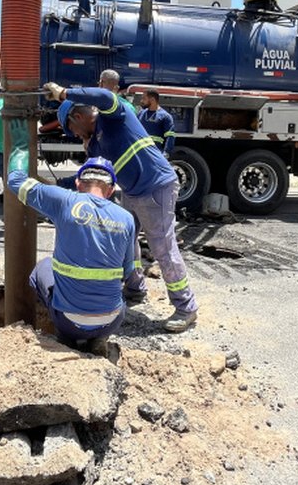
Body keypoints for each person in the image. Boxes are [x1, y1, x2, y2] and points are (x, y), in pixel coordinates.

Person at [43, 82, 199, 332]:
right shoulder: (94, 143)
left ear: (79, 116)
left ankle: (186, 307)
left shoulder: (114, 117)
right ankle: (136, 288)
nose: (73, 135)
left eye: (70, 128)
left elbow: (104, 95)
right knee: (127, 239)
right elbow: (91, 176)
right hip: (132, 190)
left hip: (156, 185)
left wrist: (64, 93)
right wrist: (54, 184)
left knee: (162, 247)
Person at [7, 151, 134, 356]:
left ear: (78, 184)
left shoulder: (65, 201)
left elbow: (16, 182)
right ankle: (99, 339)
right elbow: (128, 271)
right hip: (112, 320)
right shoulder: (126, 218)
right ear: (110, 191)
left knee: (43, 267)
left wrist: (20, 149)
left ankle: (66, 339)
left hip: (69, 322)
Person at [138, 89, 176, 156]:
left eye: (144, 99)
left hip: (155, 154)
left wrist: (166, 153)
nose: (141, 101)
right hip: (140, 153)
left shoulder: (165, 116)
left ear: (152, 100)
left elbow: (170, 136)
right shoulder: (141, 113)